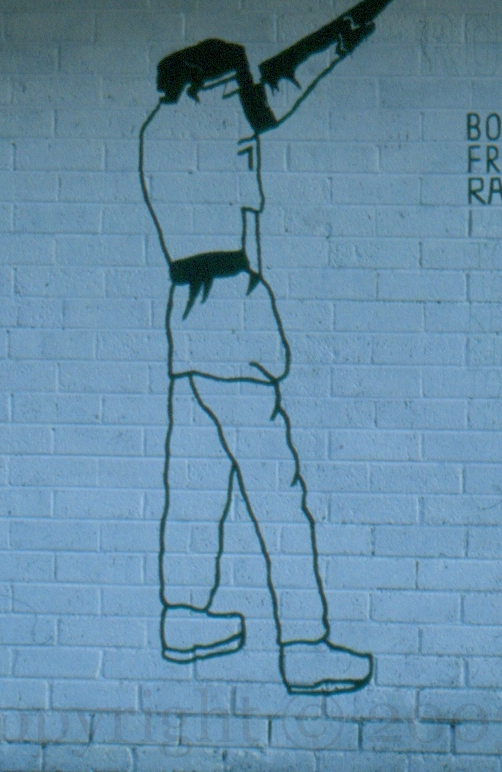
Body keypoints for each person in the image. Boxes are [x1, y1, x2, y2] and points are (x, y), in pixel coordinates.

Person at [138, 37, 372, 696]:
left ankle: (185, 616)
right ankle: (305, 645)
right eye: (230, 82)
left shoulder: (158, 130)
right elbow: (278, 95)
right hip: (229, 315)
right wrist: (338, 44)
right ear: (203, 87)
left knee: (195, 485)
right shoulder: (213, 124)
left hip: (188, 316)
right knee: (278, 494)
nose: (241, 91)